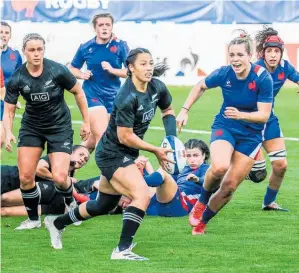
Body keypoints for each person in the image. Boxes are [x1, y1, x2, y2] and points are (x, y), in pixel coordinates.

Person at [44, 47, 176, 261]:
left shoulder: (157, 88)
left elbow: (168, 111)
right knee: (141, 194)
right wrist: (156, 150)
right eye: (143, 64)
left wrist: (171, 139)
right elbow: (125, 137)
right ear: (130, 68)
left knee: (102, 204)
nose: (149, 68)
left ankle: (56, 223)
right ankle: (122, 250)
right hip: (112, 153)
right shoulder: (126, 96)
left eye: (151, 63)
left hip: (125, 152)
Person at [176, 31, 273, 235]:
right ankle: (201, 203)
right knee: (219, 167)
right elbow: (200, 85)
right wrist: (184, 110)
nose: (235, 60)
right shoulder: (224, 73)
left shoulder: (263, 78)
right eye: (232, 55)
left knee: (229, 186)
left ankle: (202, 222)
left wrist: (241, 115)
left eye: (239, 55)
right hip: (226, 126)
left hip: (251, 136)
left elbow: (264, 116)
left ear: (250, 56)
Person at [3, 33, 90, 230]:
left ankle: (70, 203)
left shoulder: (57, 70)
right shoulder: (17, 77)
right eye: (32, 50)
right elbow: (9, 110)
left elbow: (78, 92)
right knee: (26, 177)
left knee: (60, 177)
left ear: (44, 50)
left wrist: (86, 122)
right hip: (32, 128)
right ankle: (33, 219)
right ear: (24, 51)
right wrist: (8, 132)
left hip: (59, 127)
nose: (36, 54)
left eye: (39, 49)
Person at [248, 26, 299, 211]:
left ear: (281, 53)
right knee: (257, 174)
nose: (272, 55)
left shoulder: (285, 67)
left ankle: (268, 202)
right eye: (269, 51)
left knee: (281, 165)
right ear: (262, 53)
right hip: (247, 122)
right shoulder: (254, 69)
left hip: (268, 120)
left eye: (276, 51)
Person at [69, 13, 129, 152]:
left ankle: (67, 166)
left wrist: (113, 70)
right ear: (95, 28)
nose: (104, 28)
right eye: (101, 25)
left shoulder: (120, 45)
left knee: (91, 142)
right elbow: (72, 68)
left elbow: (130, 71)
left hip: (113, 97)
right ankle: (110, 173)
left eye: (108, 25)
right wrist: (82, 74)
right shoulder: (86, 47)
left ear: (112, 26)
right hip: (92, 95)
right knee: (103, 138)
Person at [146, 139, 211, 217]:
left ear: (204, 155)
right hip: (168, 202)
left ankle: (140, 181)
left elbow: (210, 182)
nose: (192, 160)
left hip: (182, 206)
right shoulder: (183, 168)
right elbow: (163, 181)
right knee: (143, 162)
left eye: (196, 155)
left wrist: (197, 180)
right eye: (188, 156)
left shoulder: (206, 168)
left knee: (164, 172)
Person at [1, 22, 23, 153]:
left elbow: (19, 79)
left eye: (6, 33)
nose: (3, 35)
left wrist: (16, 98)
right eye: (0, 32)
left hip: (6, 102)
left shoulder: (15, 55)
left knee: (1, 140)